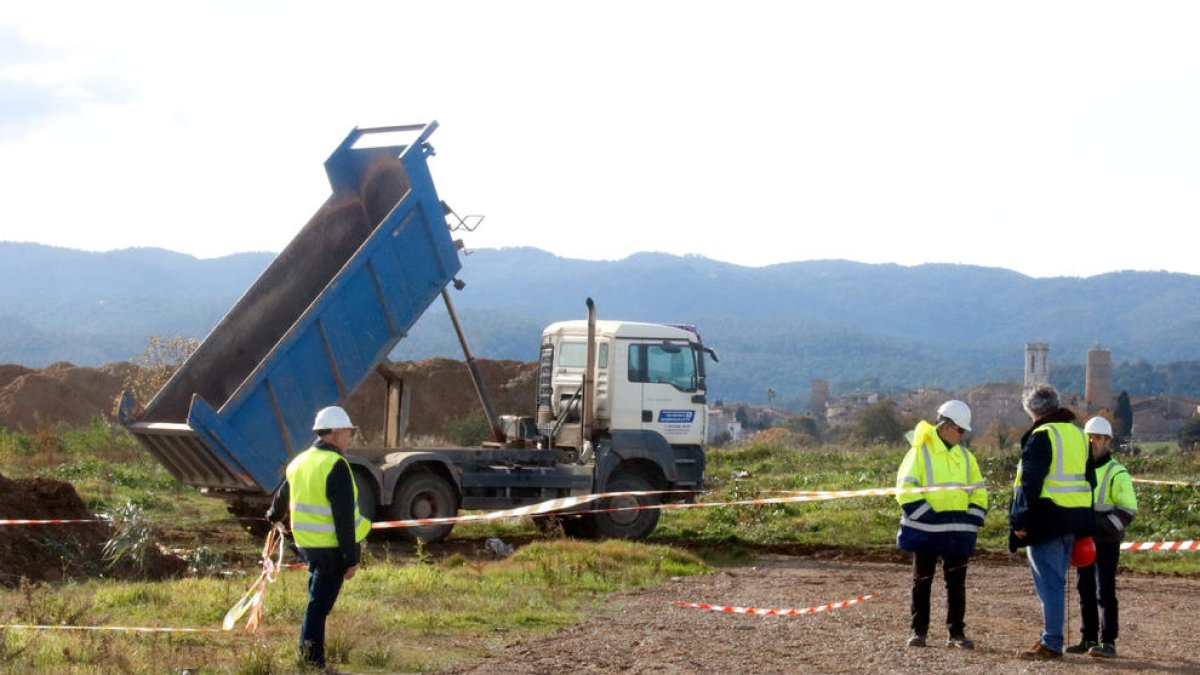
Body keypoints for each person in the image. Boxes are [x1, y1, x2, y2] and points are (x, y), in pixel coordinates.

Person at [267, 406, 371, 673]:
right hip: (331, 549)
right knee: (319, 606)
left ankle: (309, 656)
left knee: (316, 600)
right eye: (348, 431)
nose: (350, 436)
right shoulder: (336, 465)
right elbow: (344, 518)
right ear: (336, 433)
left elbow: (280, 498)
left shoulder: (300, 461)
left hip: (306, 546)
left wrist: (273, 516)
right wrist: (352, 558)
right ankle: (312, 662)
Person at [1009, 385, 1096, 660]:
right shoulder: (1079, 436)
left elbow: (1030, 482)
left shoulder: (1042, 435)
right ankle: (1051, 637)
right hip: (1074, 517)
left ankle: (1052, 641)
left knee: (1050, 584)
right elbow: (1089, 480)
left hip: (1046, 518)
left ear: (1030, 409)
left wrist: (1020, 519)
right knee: (1056, 581)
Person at [895, 400, 988, 649]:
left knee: (956, 585)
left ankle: (956, 633)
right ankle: (919, 632)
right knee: (922, 581)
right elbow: (906, 490)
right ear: (946, 426)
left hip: (958, 532)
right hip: (926, 532)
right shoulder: (919, 452)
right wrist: (930, 518)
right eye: (959, 430)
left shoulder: (966, 457)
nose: (962, 435)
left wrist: (971, 519)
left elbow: (979, 493)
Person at [1065, 416, 1138, 658]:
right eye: (1090, 437)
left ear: (1107, 441)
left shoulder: (1118, 472)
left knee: (1104, 591)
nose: (1093, 441)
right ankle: (1088, 638)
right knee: (1084, 589)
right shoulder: (1078, 470)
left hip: (1105, 542)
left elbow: (1128, 509)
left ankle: (1108, 642)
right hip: (1083, 541)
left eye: (1098, 437)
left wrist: (1100, 527)